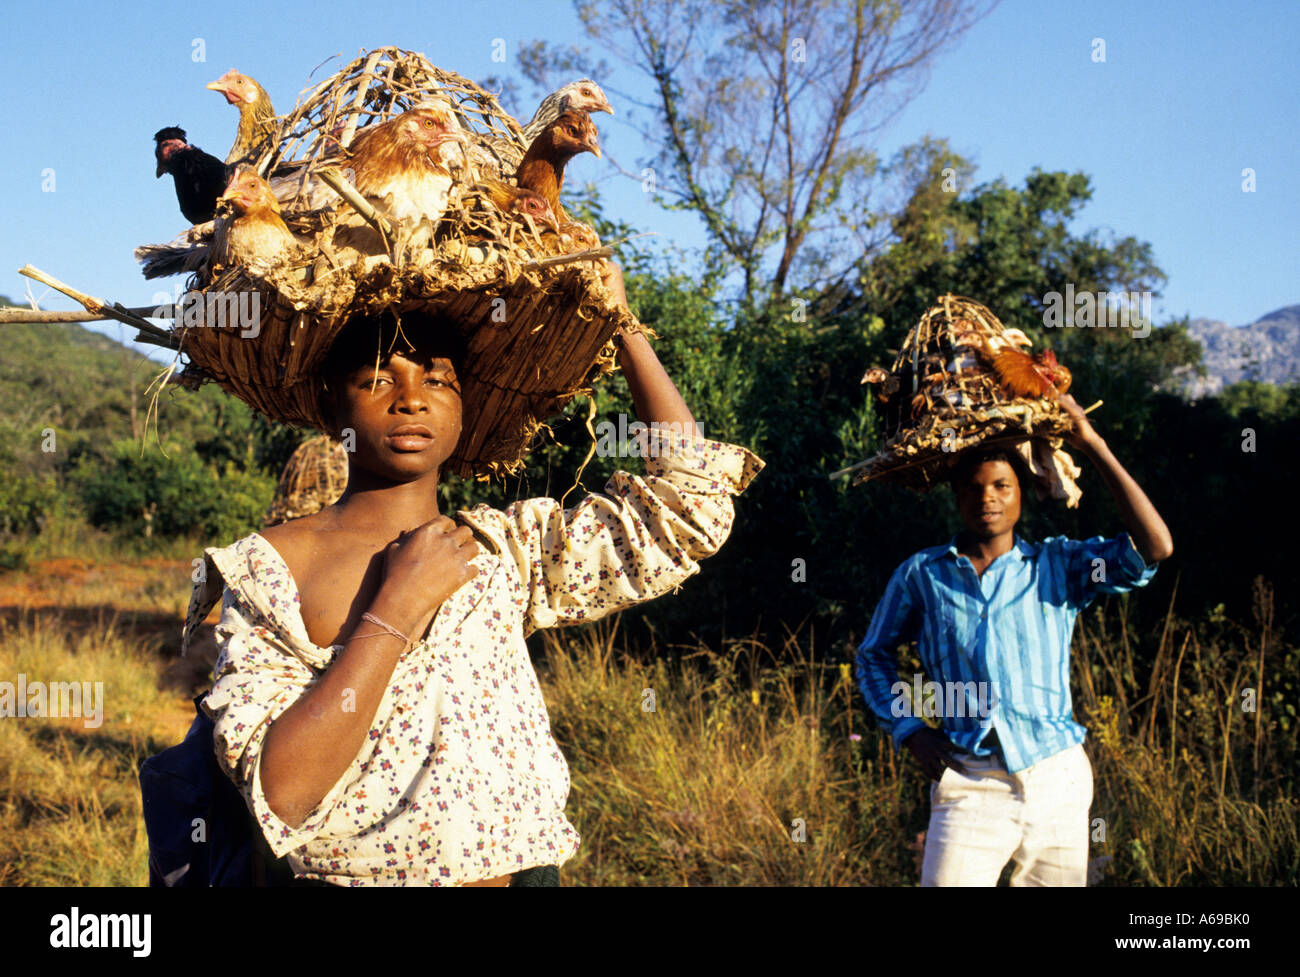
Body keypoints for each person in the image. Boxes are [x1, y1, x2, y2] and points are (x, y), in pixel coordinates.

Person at [180, 264, 763, 886]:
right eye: (378, 379)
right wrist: (394, 611)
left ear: (464, 410)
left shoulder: (507, 549)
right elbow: (284, 790)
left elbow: (690, 506)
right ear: (329, 402)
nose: (411, 396)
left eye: (438, 379)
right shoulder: (272, 566)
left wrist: (623, 327)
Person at [854, 394, 1172, 886]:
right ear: (955, 496)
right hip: (970, 780)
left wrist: (1093, 445)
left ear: (1022, 491)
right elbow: (874, 658)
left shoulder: (1058, 566)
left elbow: (1154, 547)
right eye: (973, 488)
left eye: (1002, 485)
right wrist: (910, 731)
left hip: (1058, 777)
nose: (988, 498)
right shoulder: (923, 574)